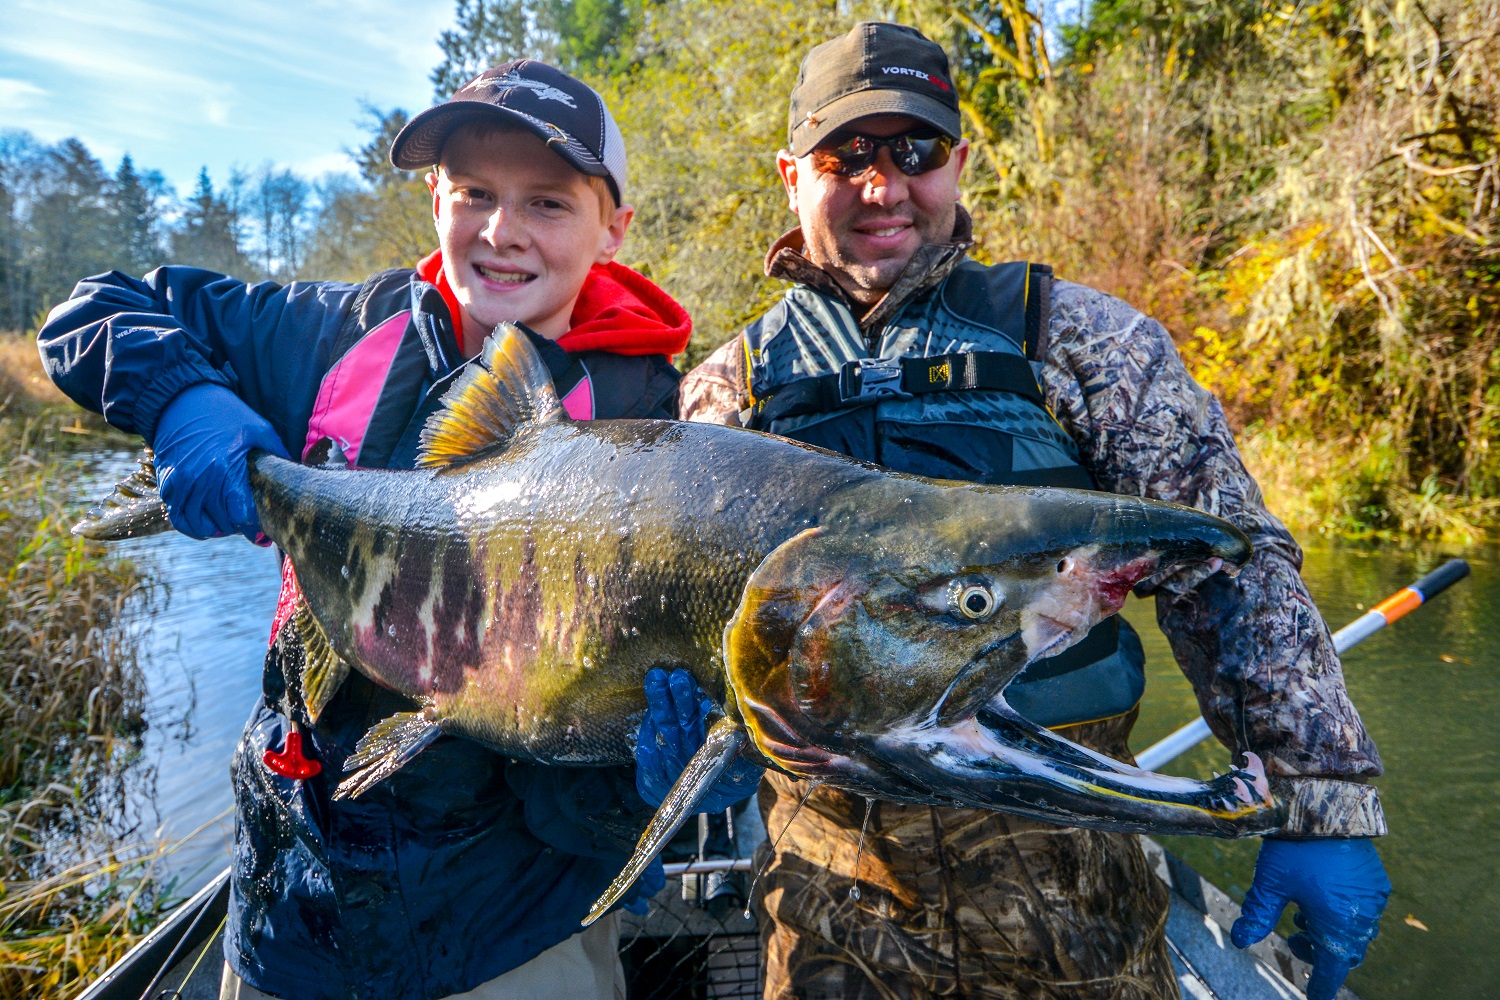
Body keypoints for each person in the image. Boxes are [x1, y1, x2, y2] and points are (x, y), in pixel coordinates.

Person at [680, 22, 1392, 1000]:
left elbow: (1231, 562)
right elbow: (684, 597)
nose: (884, 187)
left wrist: (1318, 800)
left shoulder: (1082, 341)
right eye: (847, 154)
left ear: (960, 163)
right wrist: (676, 724)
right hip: (826, 924)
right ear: (791, 174)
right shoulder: (728, 391)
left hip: (1078, 917)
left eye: (916, 151)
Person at [39, 61, 753, 1000]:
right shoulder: (324, 335)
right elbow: (93, 309)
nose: (502, 232)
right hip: (296, 903)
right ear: (433, 199)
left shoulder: (661, 430)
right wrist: (184, 400)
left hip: (517, 929)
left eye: (546, 203)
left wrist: (648, 777)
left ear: (612, 228)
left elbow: (583, 805)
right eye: (475, 195)